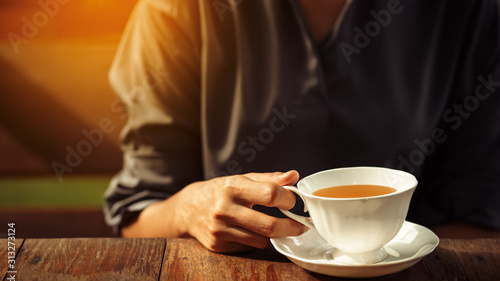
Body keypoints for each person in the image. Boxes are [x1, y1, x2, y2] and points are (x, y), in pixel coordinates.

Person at [104, 0, 500, 252]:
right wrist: (189, 209)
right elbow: (139, 218)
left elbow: (479, 213)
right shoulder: (178, 8)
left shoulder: (468, 12)